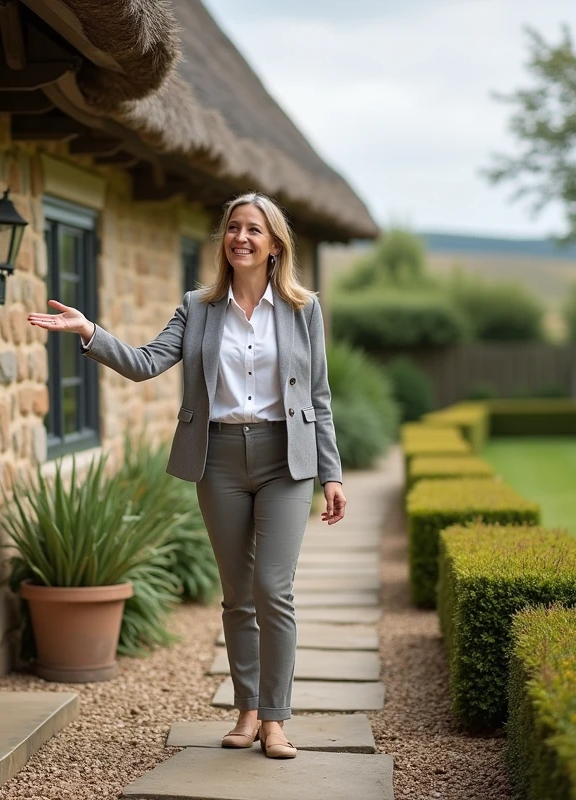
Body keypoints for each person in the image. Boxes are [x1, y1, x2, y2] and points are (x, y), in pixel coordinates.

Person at [27, 192, 346, 759]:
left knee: (274, 588)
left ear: (275, 245)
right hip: (218, 459)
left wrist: (332, 473)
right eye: (232, 228)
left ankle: (276, 719)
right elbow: (149, 362)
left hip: (285, 460)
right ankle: (246, 712)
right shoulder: (198, 306)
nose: (240, 238)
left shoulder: (303, 307)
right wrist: (89, 332)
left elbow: (318, 396)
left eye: (253, 229)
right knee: (237, 596)